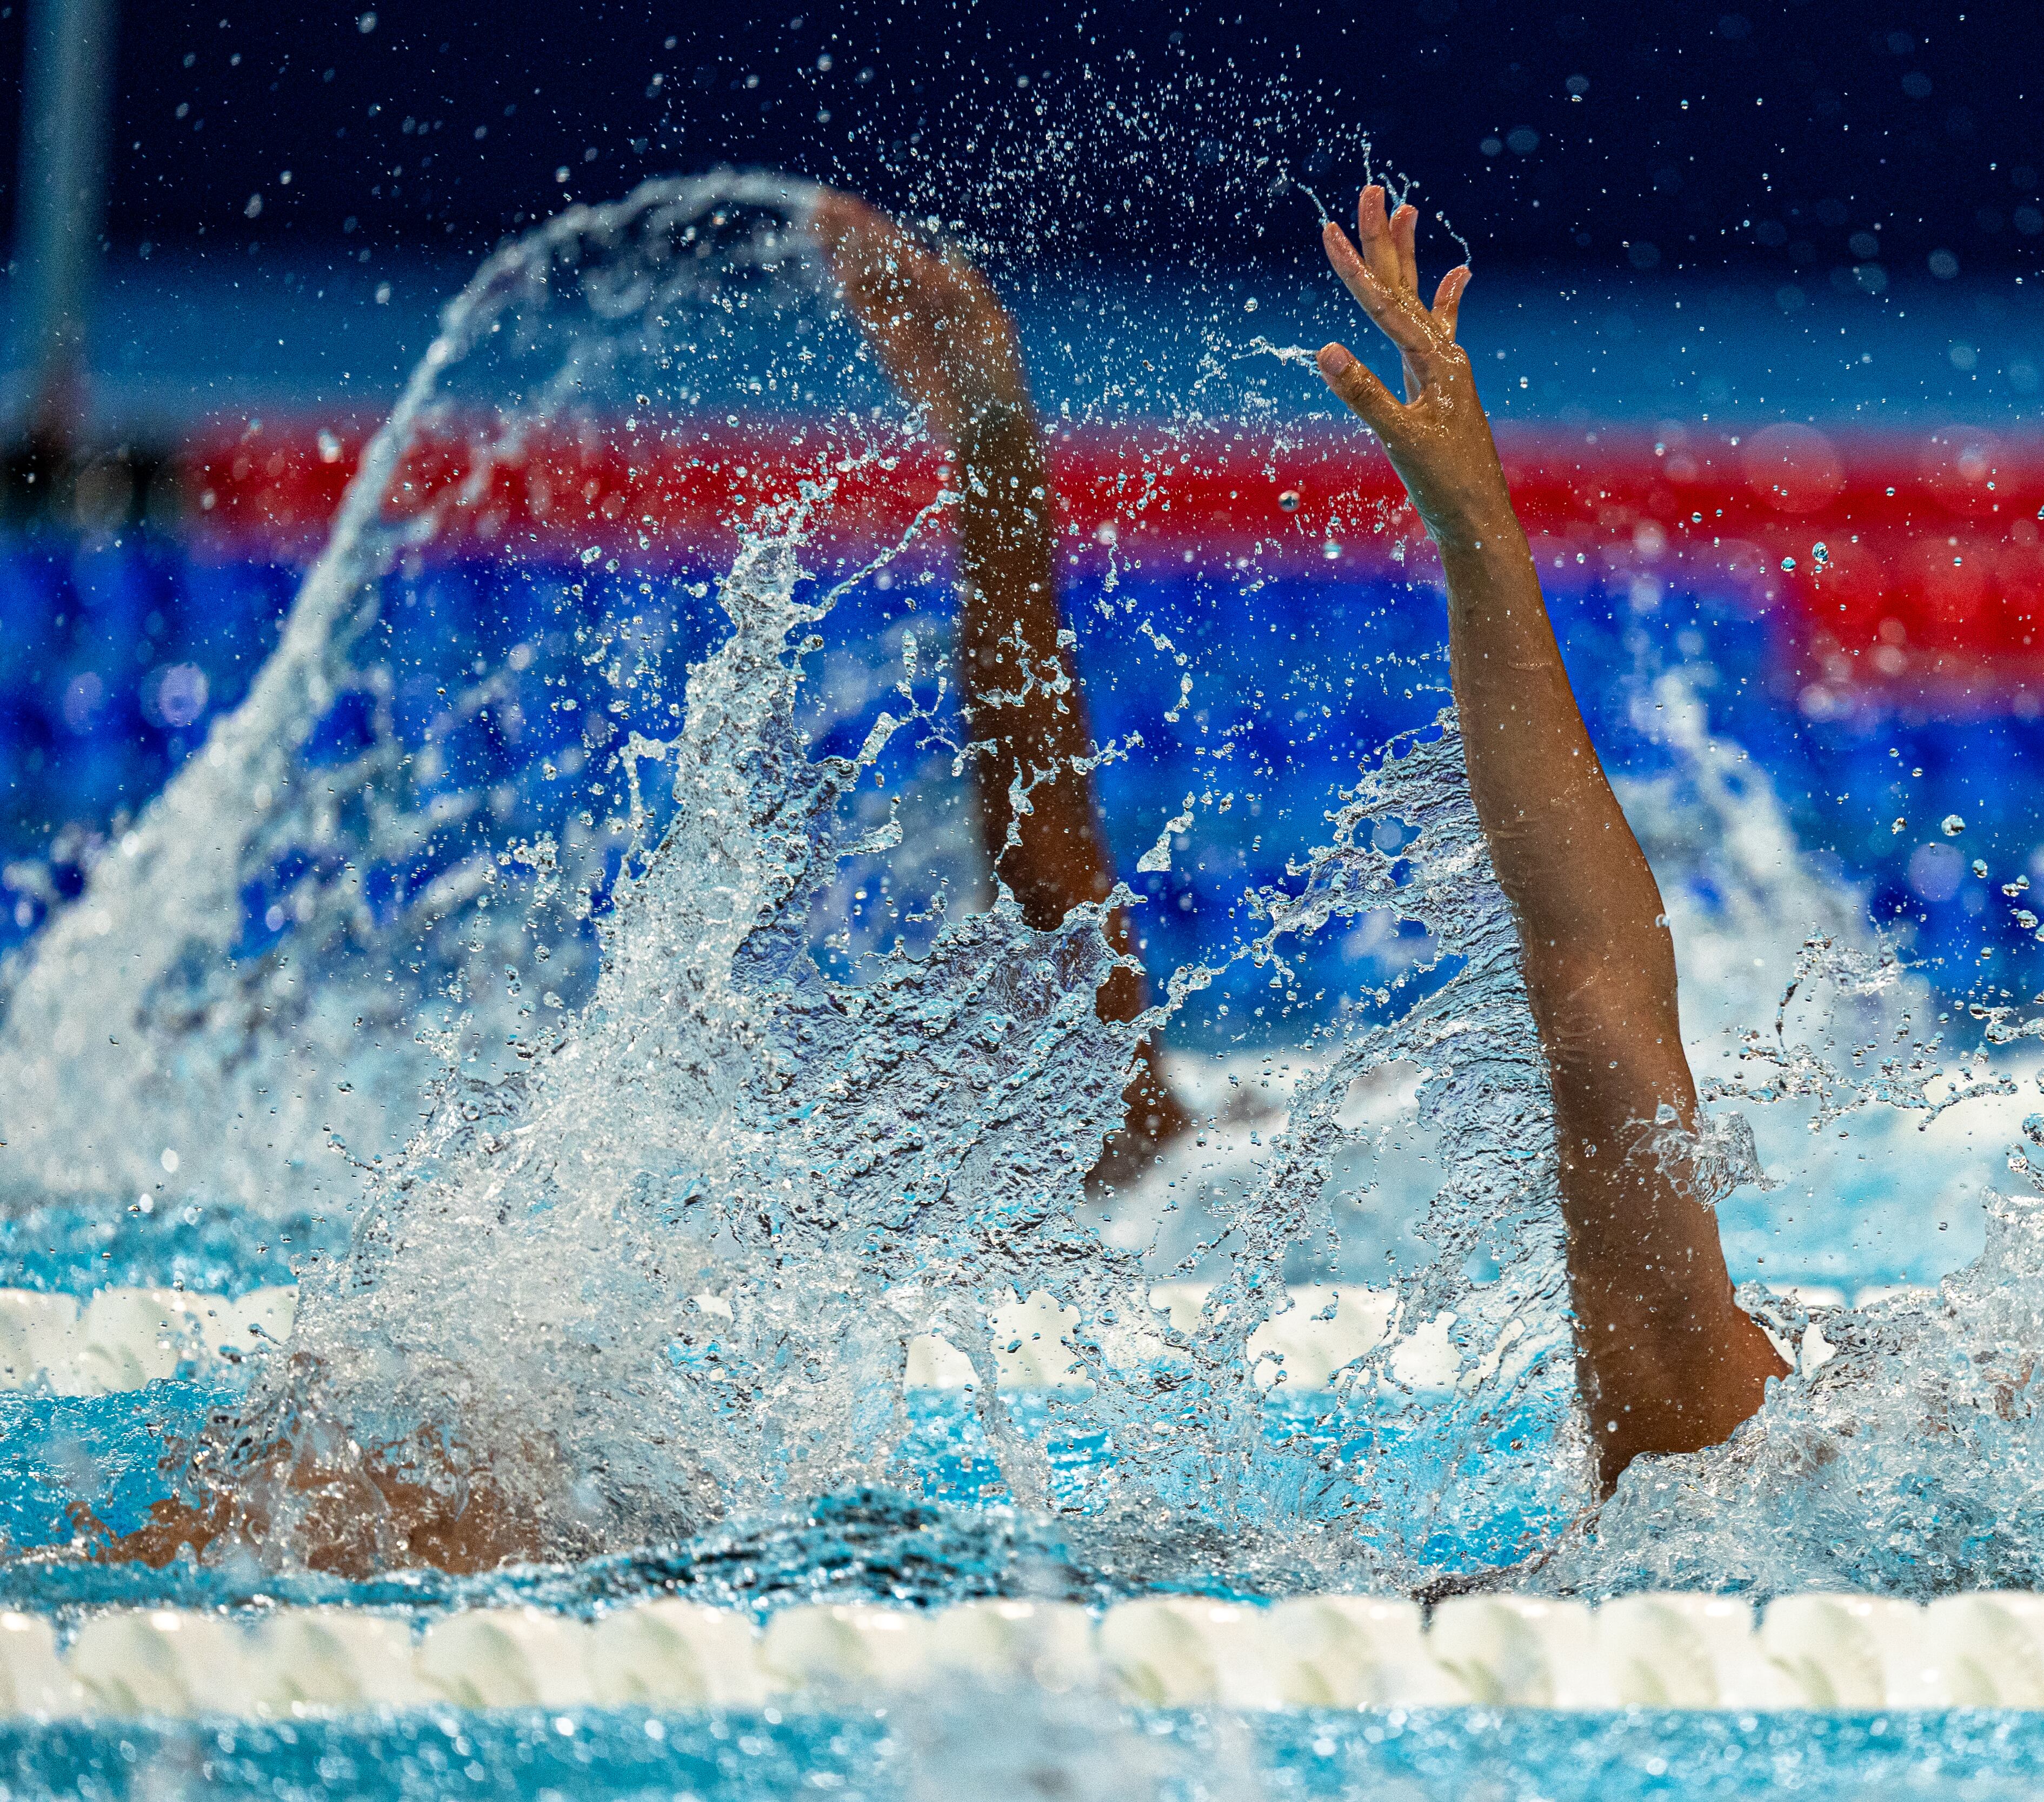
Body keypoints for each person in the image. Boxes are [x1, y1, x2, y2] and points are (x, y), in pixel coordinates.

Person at [84, 194, 1188, 1575]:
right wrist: (994, 452)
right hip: (766, 1482)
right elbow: (1062, 908)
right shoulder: (1205, 1166)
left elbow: (1060, 904)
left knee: (377, 1486)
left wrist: (993, 448)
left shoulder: (1170, 1148)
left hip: (716, 1446)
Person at [1310, 185, 1790, 1492]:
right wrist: (1476, 529)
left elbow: (1598, 996)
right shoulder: (1723, 1451)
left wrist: (1477, 530)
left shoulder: (1724, 1464)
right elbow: (1594, 999)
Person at [813, 194, 1189, 1186]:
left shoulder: (1121, 1124)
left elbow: (1046, 832)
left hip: (1143, 1150)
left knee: (1050, 882)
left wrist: (992, 433)